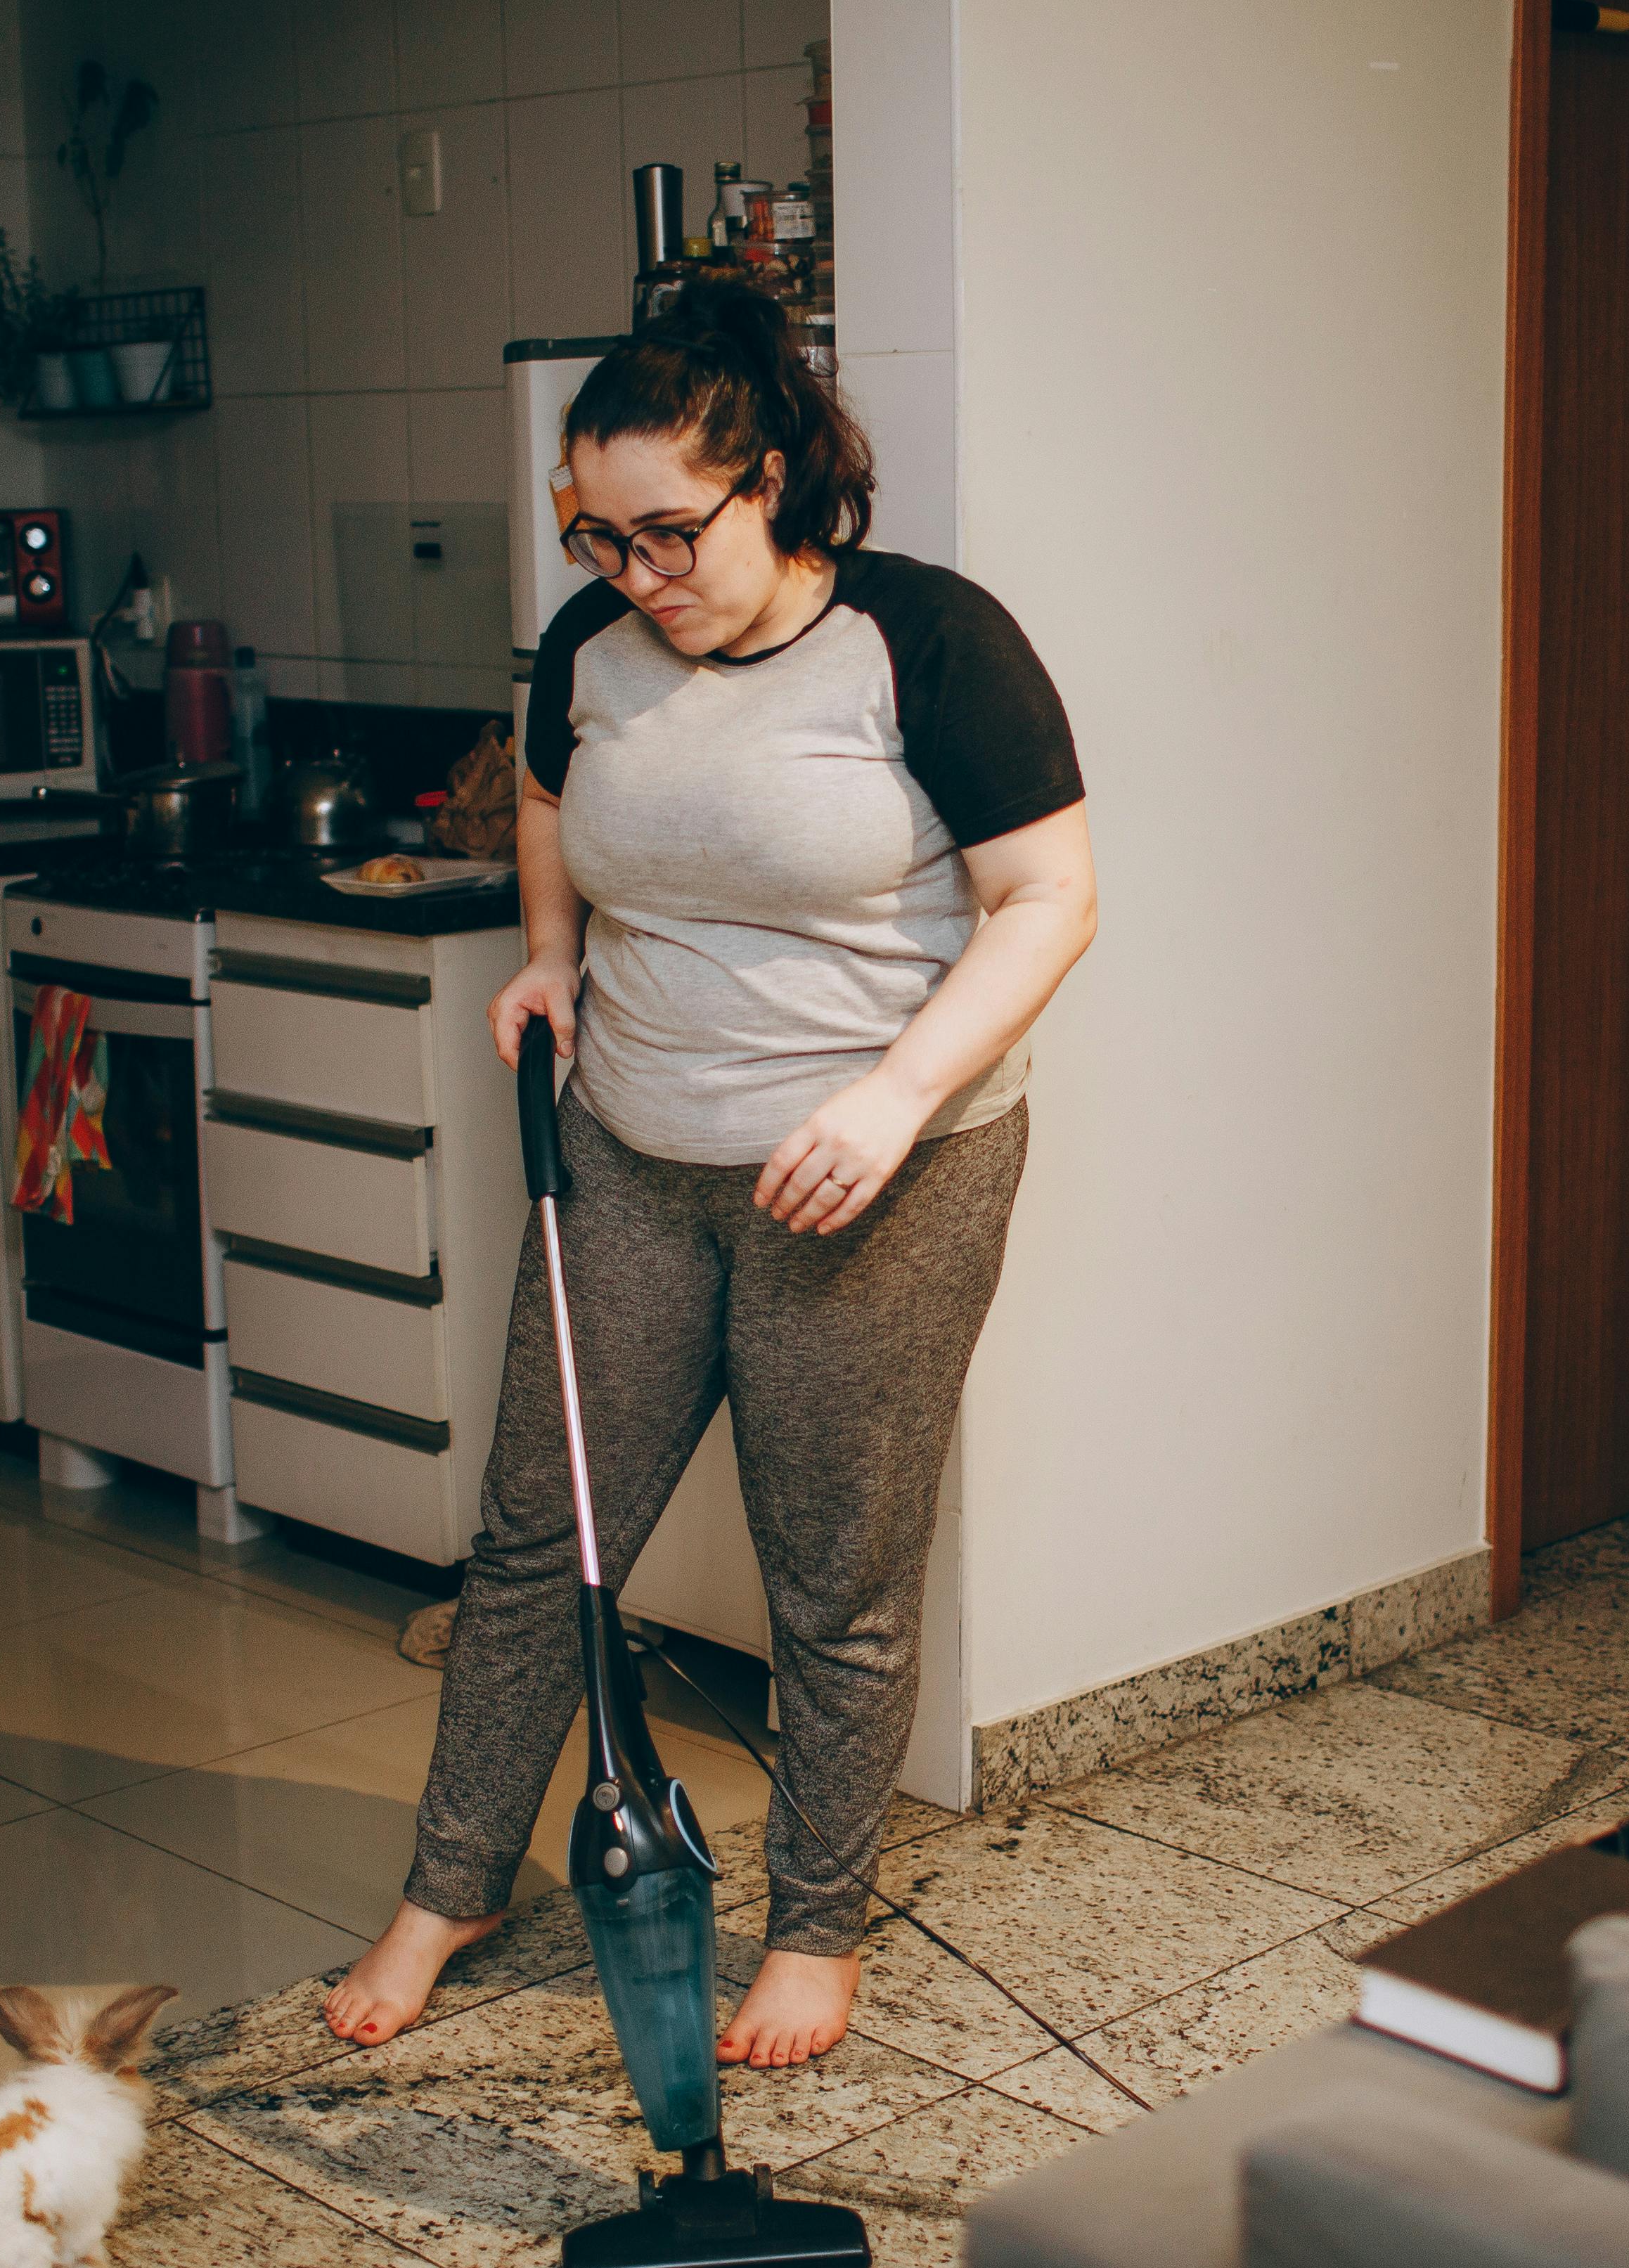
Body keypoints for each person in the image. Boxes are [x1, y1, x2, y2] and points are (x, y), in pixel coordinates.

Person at [322, 277, 1098, 2068]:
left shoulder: (929, 640)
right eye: (597, 536)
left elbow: (1048, 898)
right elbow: (548, 801)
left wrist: (895, 1096)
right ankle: (451, 1883)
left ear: (774, 481)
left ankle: (816, 1924)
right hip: (628, 1148)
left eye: (669, 531)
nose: (636, 573)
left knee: (834, 1573)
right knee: (541, 1537)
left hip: (873, 1179)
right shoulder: (590, 646)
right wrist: (548, 954)